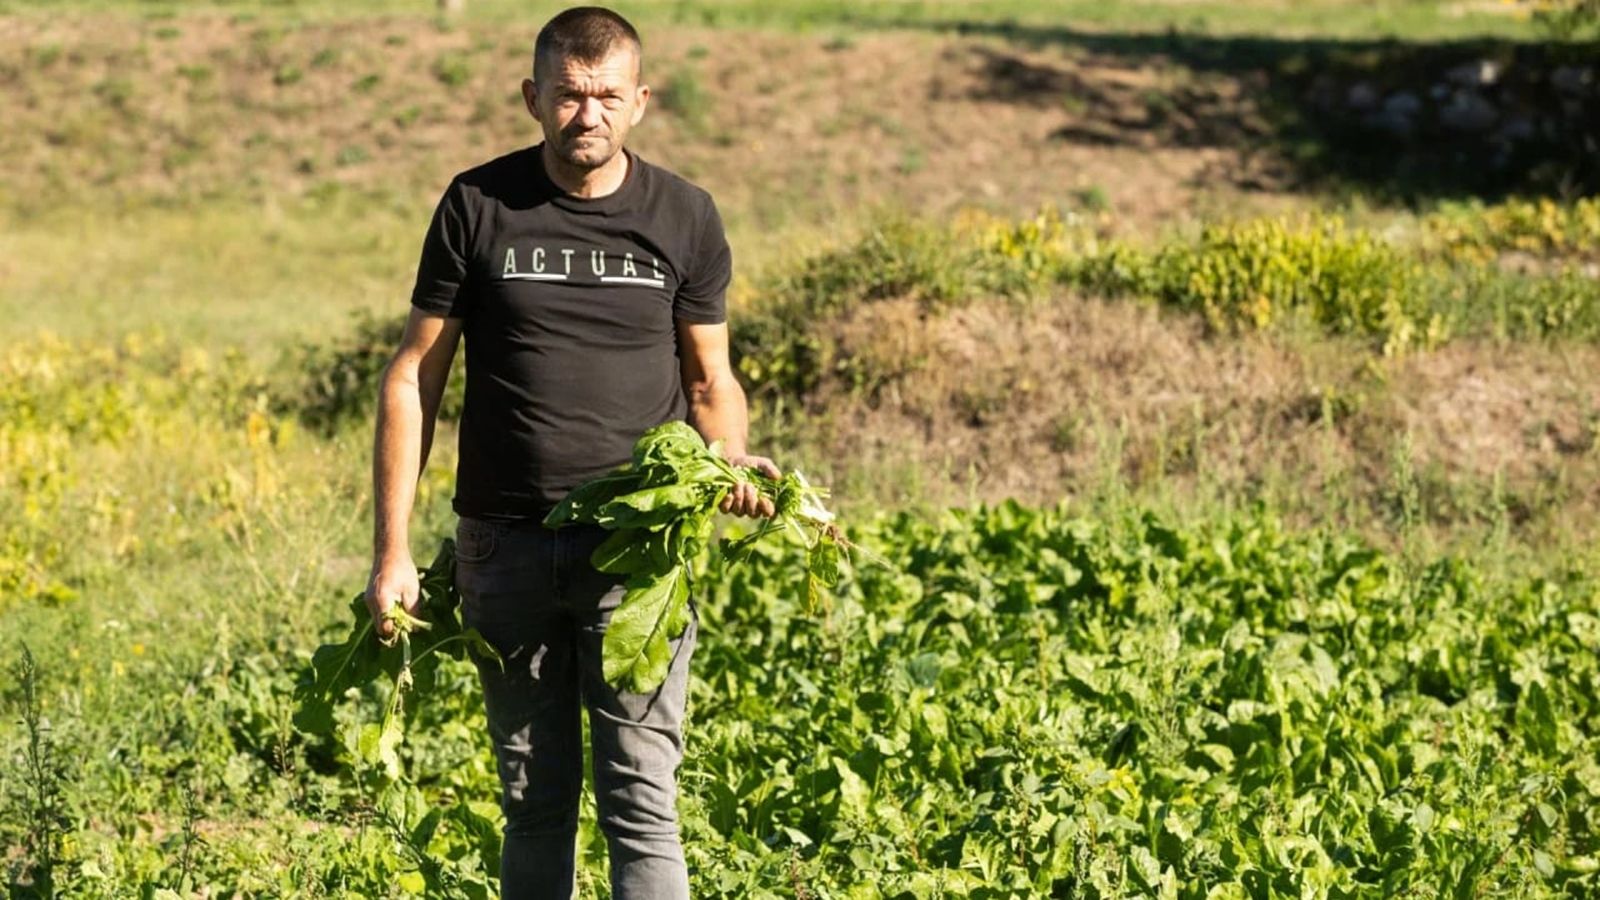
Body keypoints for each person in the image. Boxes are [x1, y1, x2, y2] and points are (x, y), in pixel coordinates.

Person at [363, 7, 776, 897]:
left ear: (640, 103)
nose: (586, 115)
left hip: (639, 549)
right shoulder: (478, 204)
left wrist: (729, 459)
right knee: (533, 801)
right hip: (503, 548)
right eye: (567, 95)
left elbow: (711, 381)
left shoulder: (685, 216)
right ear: (532, 98)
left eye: (605, 97)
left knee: (641, 798)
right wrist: (392, 551)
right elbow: (413, 379)